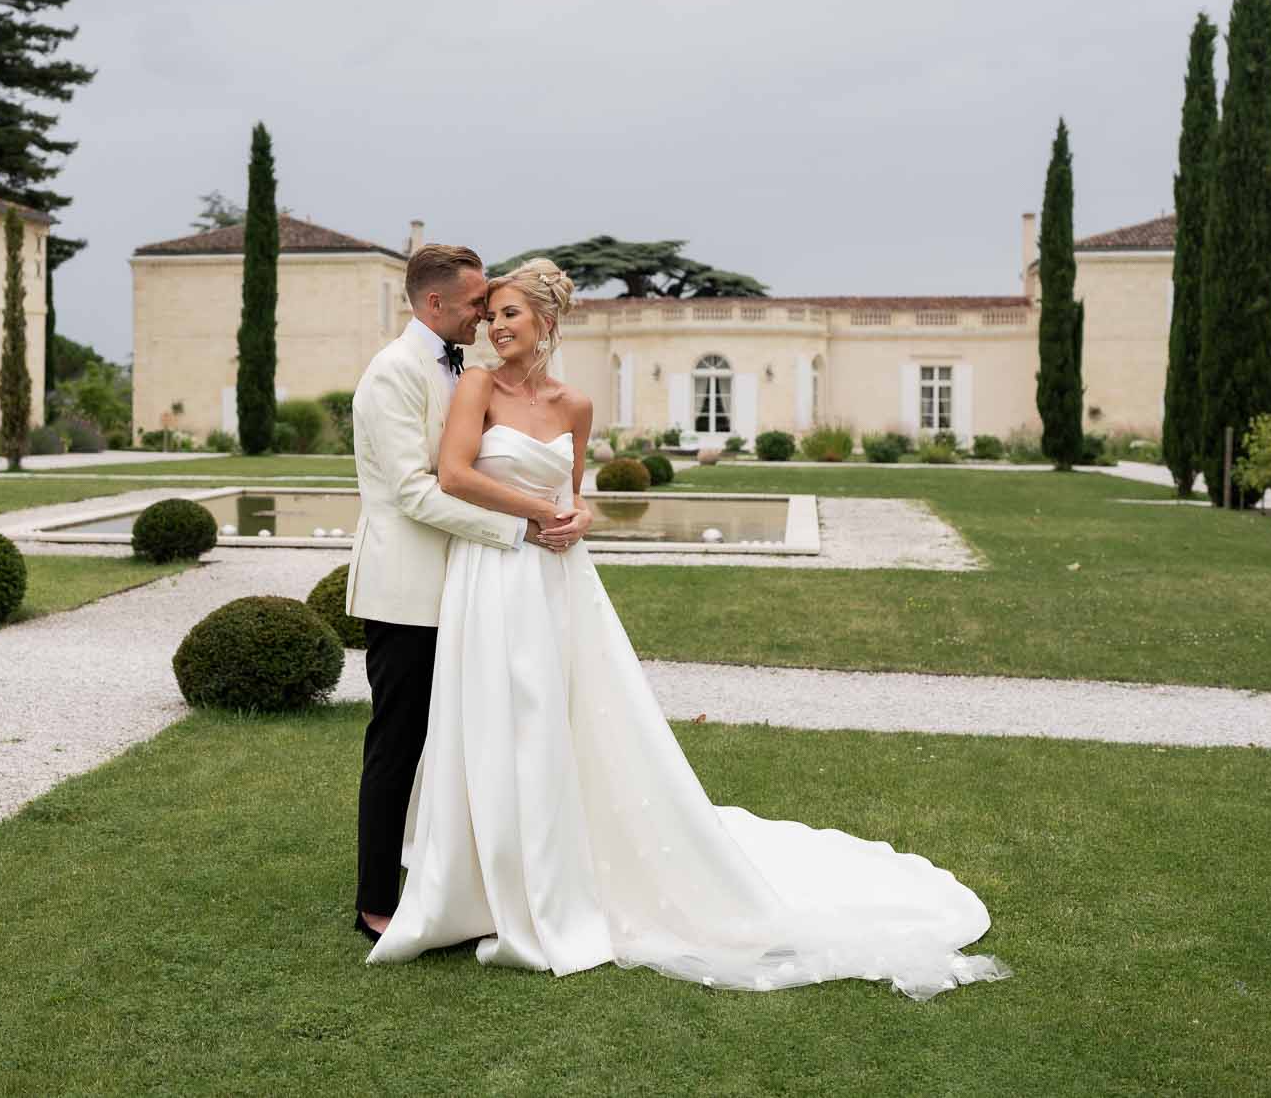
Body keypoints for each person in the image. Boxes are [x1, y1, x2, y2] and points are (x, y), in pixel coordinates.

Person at [363, 257, 1009, 999]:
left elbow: (574, 492)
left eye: (508, 312)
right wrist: (539, 515)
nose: (494, 324)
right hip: (492, 573)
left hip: (553, 580)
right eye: (491, 311)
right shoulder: (474, 383)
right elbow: (451, 476)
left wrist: (579, 515)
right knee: (493, 716)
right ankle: (485, 884)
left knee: (556, 718)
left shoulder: (574, 404)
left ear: (546, 322)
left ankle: (548, 875)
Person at [345, 243, 592, 943]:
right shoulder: (392, 373)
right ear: (433, 304)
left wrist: (571, 510)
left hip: (472, 585)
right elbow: (415, 490)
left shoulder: (471, 370)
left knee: (470, 736)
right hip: (409, 588)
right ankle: (374, 899)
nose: (485, 314)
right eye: (476, 303)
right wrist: (520, 527)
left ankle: (466, 876)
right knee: (398, 741)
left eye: (494, 303)